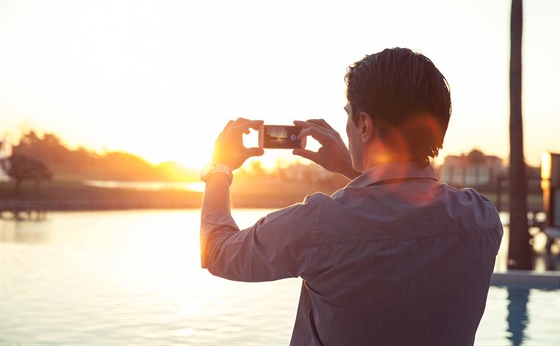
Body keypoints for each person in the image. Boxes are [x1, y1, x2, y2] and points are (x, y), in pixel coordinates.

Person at [199, 47, 503, 345]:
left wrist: (219, 167)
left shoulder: (317, 225)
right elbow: (403, 219)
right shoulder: (483, 219)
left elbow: (217, 252)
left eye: (349, 116)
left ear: (365, 124)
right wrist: (351, 168)